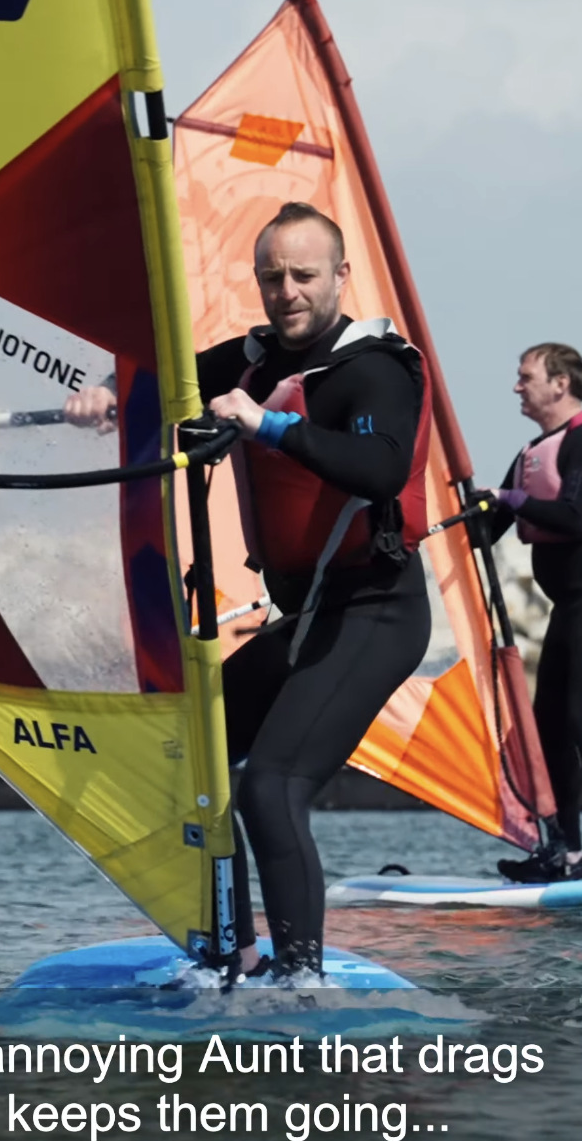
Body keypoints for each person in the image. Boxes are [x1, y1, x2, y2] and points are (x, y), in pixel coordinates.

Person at [65, 201, 430, 984]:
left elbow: (382, 469)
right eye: (273, 277)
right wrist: (106, 390)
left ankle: (300, 980)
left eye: (303, 275)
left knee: (272, 785)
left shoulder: (376, 369)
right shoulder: (257, 357)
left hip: (376, 612)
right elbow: (167, 378)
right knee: (189, 763)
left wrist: (265, 426)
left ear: (340, 276)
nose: (288, 291)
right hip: (306, 617)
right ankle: (229, 954)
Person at [483, 342, 582, 883]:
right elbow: (490, 530)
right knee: (548, 726)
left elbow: (575, 518)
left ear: (560, 383)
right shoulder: (533, 453)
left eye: (524, 376)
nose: (516, 386)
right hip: (569, 605)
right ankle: (566, 852)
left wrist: (509, 500)